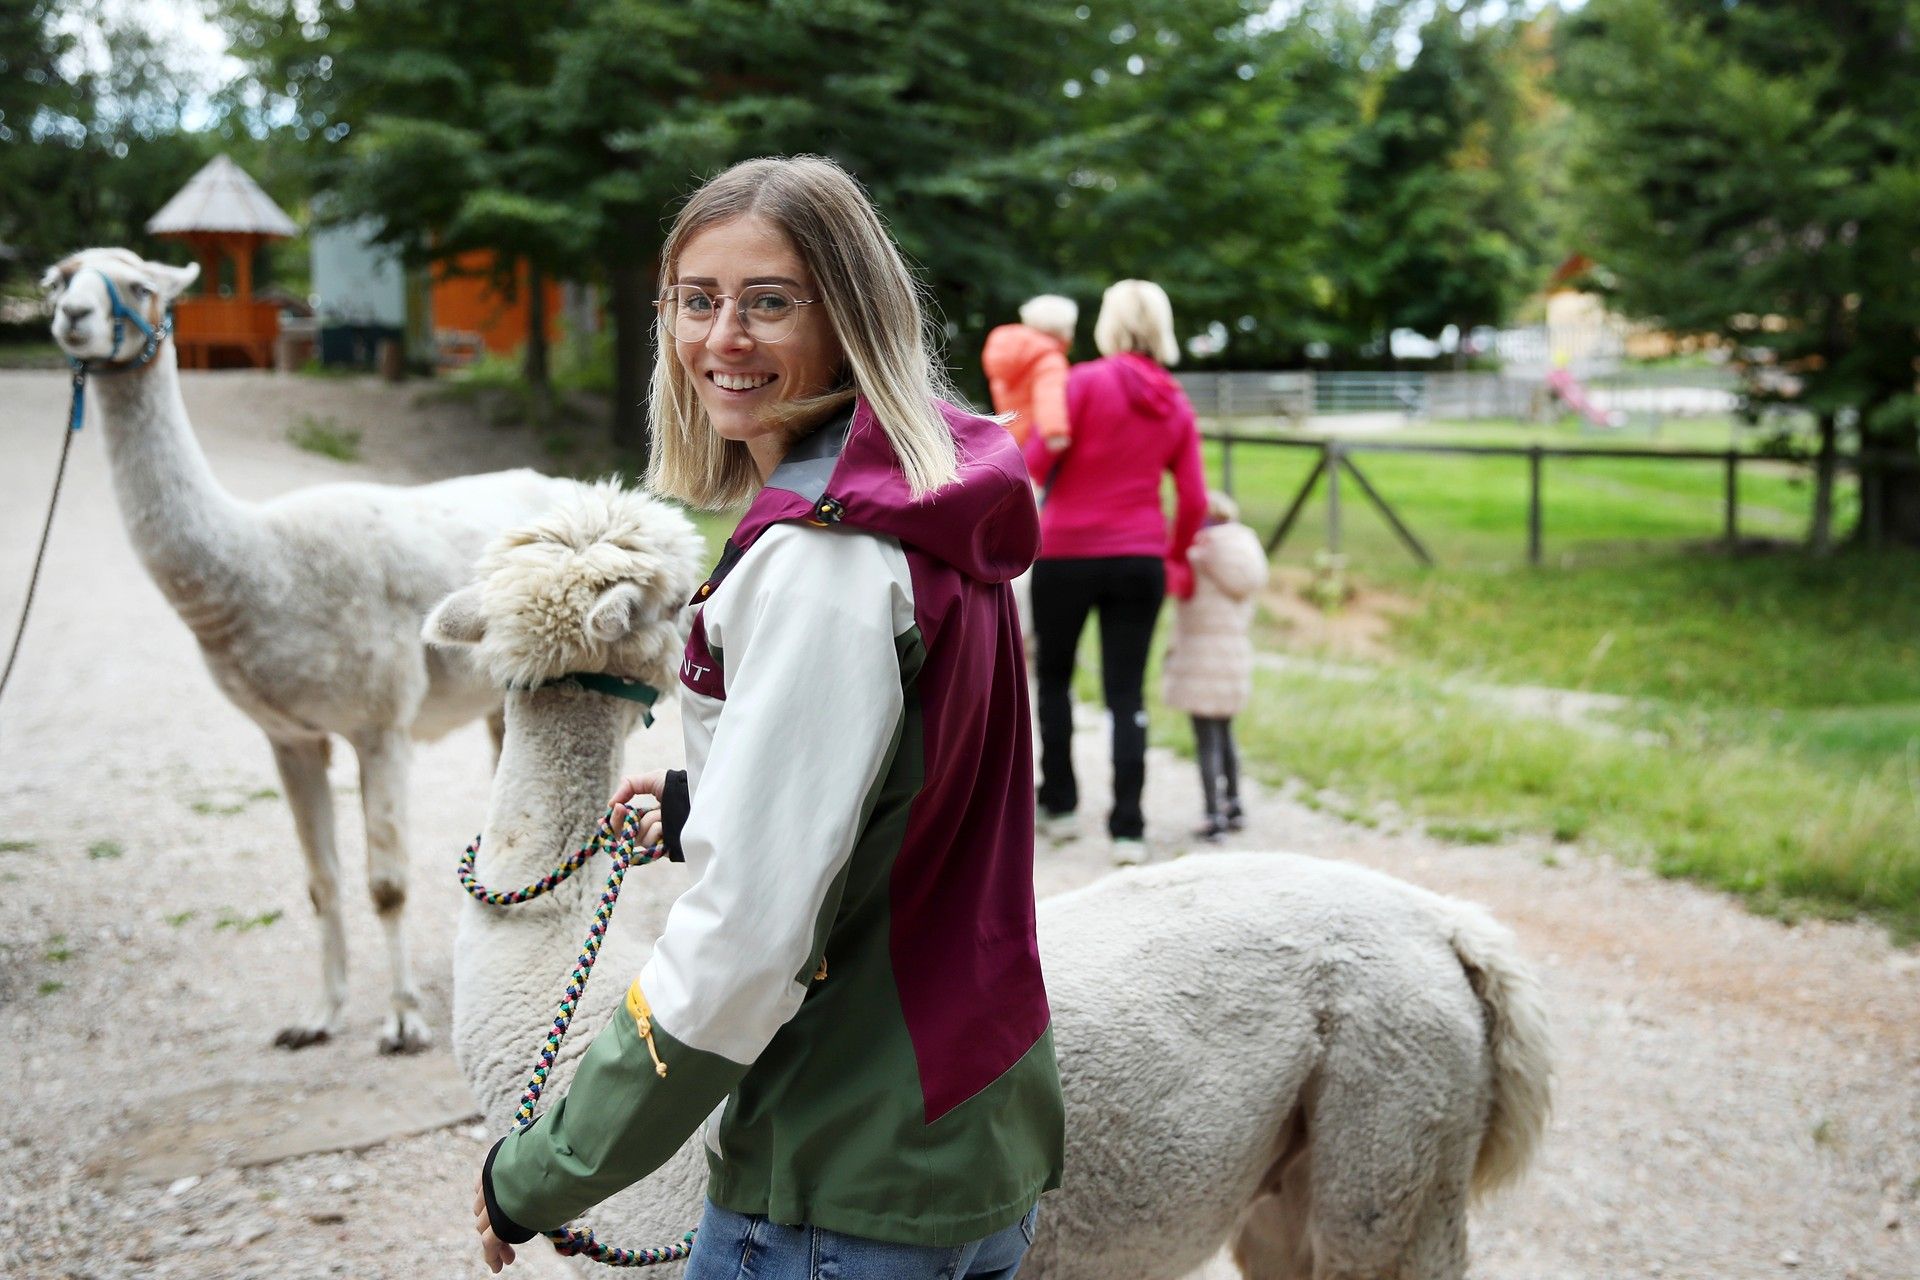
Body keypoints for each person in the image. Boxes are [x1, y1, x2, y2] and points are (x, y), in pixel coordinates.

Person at [472, 156, 1063, 1278]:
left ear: (851, 317)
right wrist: (712, 799)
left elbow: (745, 942)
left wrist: (538, 1170)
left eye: (770, 301)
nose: (723, 337)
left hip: (840, 1176)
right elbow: (911, 768)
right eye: (697, 300)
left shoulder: (823, 561)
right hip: (963, 1138)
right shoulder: (929, 504)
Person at [1025, 279, 1206, 864]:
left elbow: (1034, 461)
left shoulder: (1079, 384)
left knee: (1053, 679)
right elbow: (1196, 500)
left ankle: (1061, 804)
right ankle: (1128, 827)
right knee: (1127, 690)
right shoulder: (1175, 401)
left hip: (1065, 553)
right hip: (1140, 558)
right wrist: (1175, 557)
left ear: (1108, 323)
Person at [1160, 490, 1269, 841]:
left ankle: (1212, 815)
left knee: (1205, 738)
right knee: (1225, 735)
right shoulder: (1247, 552)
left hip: (1198, 656)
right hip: (1234, 653)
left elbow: (1174, 586)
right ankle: (1235, 804)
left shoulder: (1198, 554)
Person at [980, 295, 1076, 449]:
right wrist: (1055, 433)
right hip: (1038, 442)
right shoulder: (1049, 359)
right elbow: (1049, 397)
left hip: (1011, 439)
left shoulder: (1008, 351)